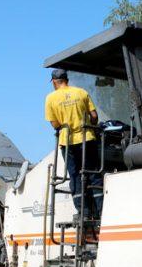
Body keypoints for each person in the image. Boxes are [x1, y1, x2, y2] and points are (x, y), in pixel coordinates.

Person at [44, 69, 103, 219]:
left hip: (67, 141)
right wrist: (90, 125)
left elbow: (54, 124)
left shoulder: (51, 98)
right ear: (66, 79)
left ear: (55, 82)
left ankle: (83, 212)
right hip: (87, 138)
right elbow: (94, 116)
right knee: (93, 173)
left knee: (75, 175)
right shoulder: (81, 92)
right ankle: (102, 210)